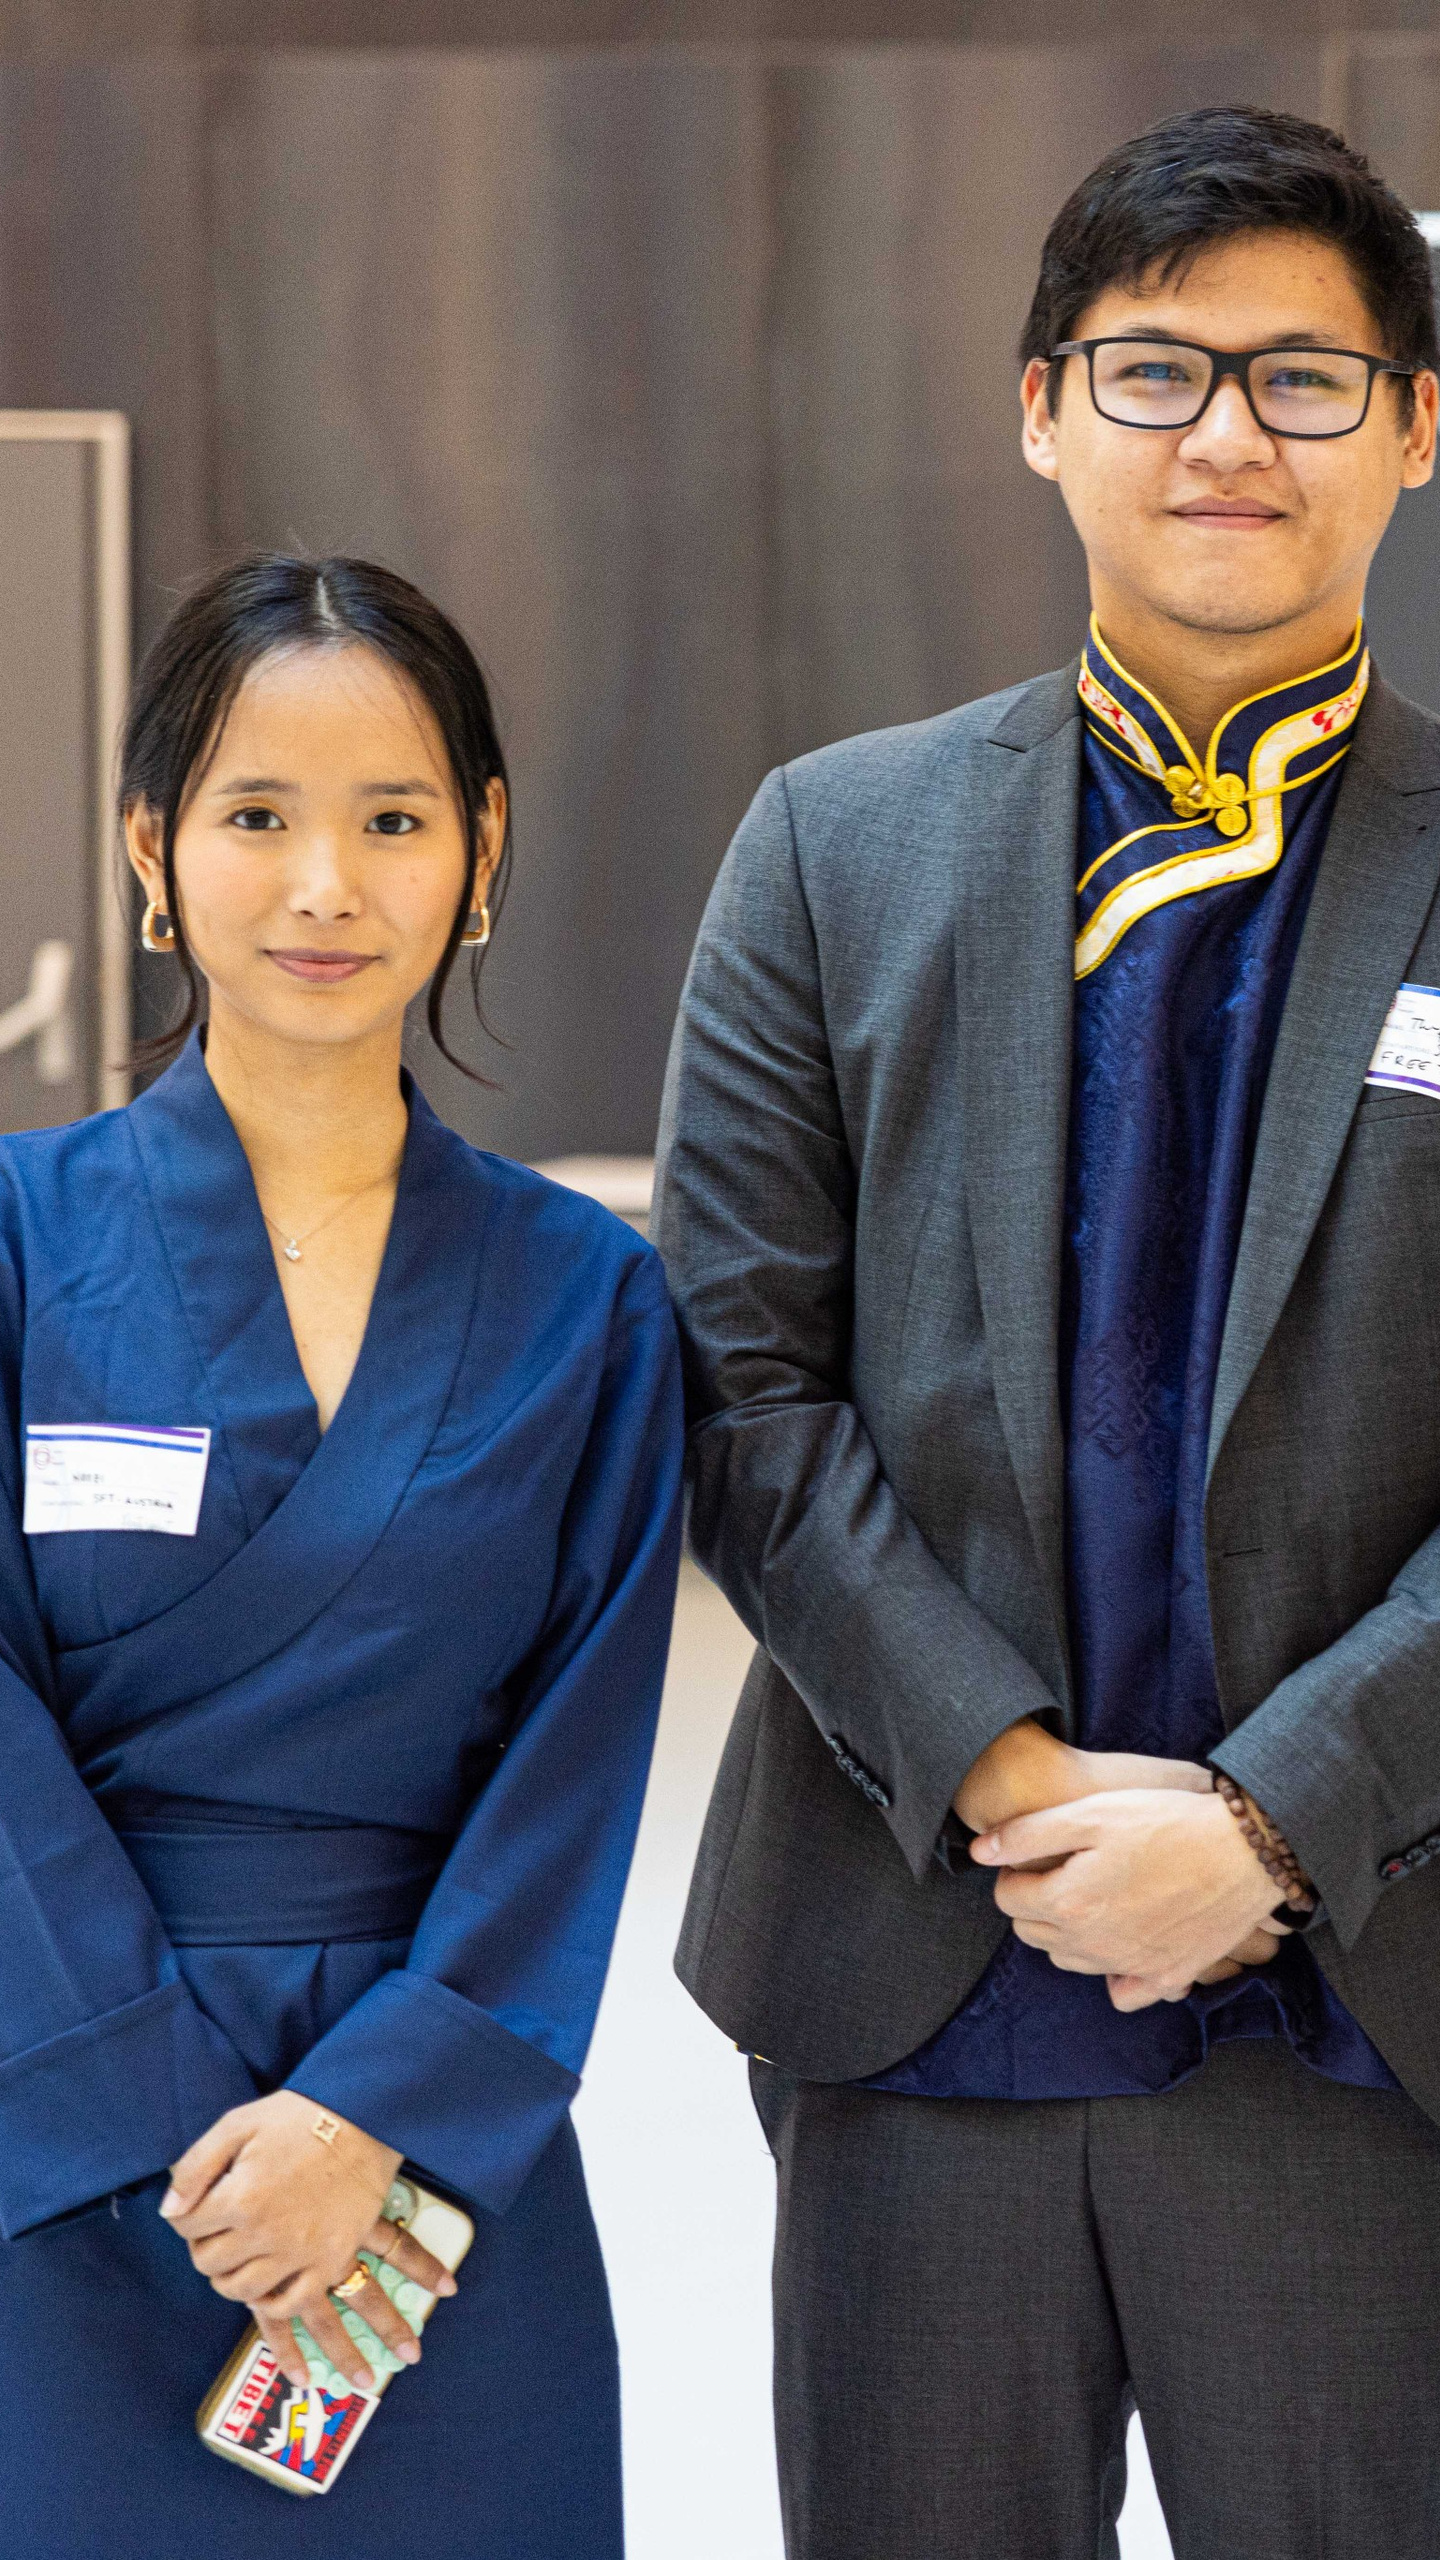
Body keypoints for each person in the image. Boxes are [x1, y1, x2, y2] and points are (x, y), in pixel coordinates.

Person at [657, 104, 1440, 2559]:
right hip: (924, 1952)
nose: (1226, 432)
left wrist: (1260, 1824)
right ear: (1041, 410)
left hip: (1357, 1989)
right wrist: (1017, 1776)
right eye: (1152, 370)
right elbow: (742, 1388)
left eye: (1302, 377)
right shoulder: (831, 850)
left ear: (1418, 428)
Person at [0, 553, 684, 2557]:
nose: (324, 886)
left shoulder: (591, 1302)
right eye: (256, 816)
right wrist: (172, 2117)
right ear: (151, 845)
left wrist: (369, 2120)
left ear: (481, 849)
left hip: (434, 2187)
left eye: (391, 820)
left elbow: (576, 1770)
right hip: (61, 2141)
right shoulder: (18, 1241)